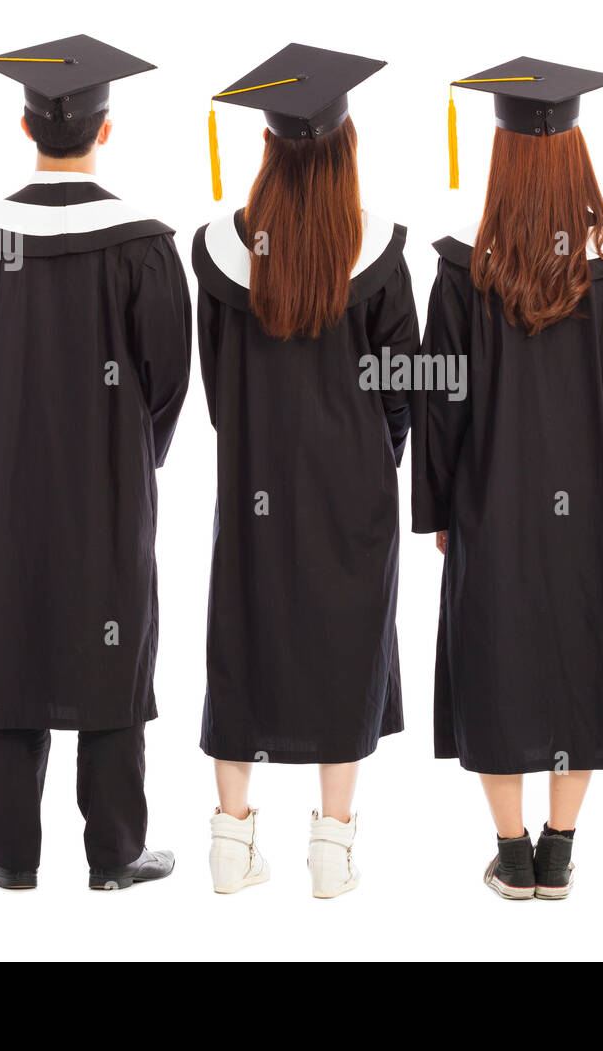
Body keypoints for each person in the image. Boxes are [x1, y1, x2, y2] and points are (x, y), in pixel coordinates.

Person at [0, 35, 191, 891]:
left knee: (8, 636)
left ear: (23, 125)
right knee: (111, 639)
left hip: (0, 491)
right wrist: (134, 460)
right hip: (108, 493)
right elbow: (167, 376)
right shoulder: (144, 243)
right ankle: (116, 853)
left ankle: (10, 853)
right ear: (105, 131)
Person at [412, 57, 603, 900]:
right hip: (594, 506)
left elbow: (440, 401)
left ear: (501, 158)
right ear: (577, 153)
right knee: (581, 656)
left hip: (492, 501)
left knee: (499, 659)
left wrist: (442, 506)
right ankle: (560, 847)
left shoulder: (466, 271)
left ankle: (511, 852)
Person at [191, 44, 418, 898]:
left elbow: (218, 385)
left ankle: (230, 842)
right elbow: (402, 389)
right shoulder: (382, 255)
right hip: (352, 489)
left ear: (268, 149)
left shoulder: (217, 255)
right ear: (344, 148)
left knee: (242, 637)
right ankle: (331, 849)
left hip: (254, 483)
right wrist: (374, 461)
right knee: (343, 645)